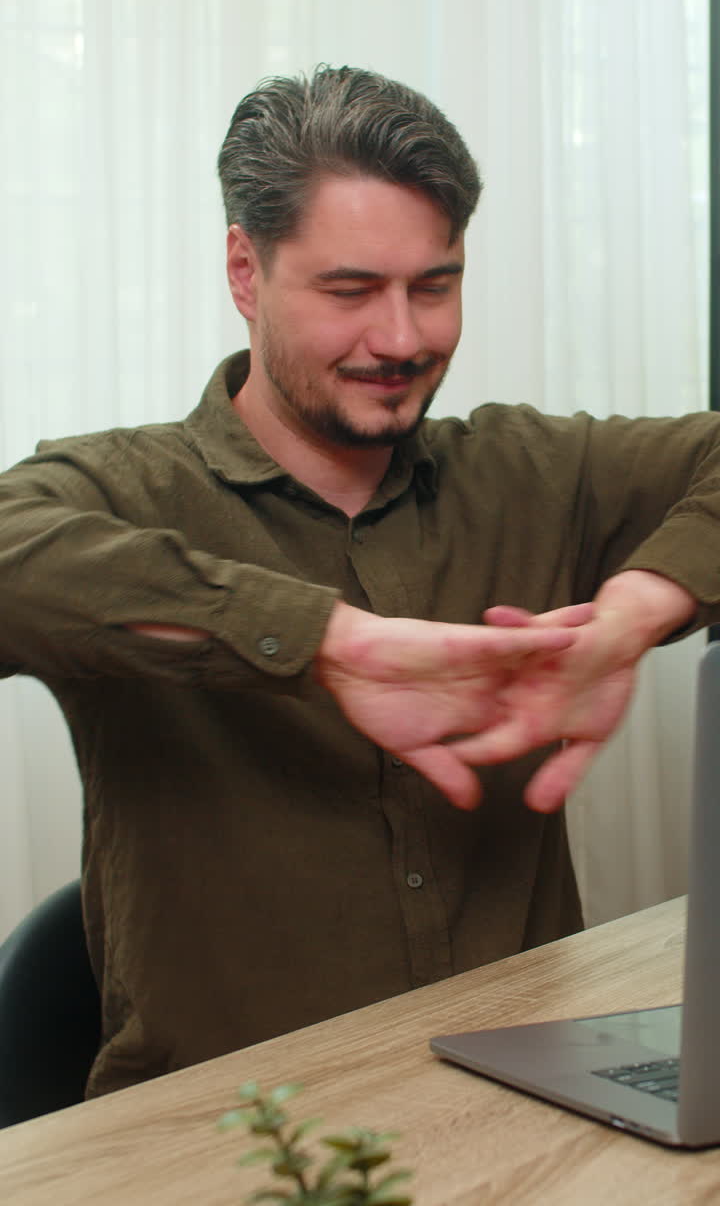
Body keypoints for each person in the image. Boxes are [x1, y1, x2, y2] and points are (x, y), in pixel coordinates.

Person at [0, 65, 718, 1100]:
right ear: (245, 271)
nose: (403, 337)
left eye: (436, 284)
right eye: (350, 290)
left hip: (535, 1114)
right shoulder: (120, 489)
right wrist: (328, 642)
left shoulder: (531, 471)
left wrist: (639, 606)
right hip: (234, 1143)